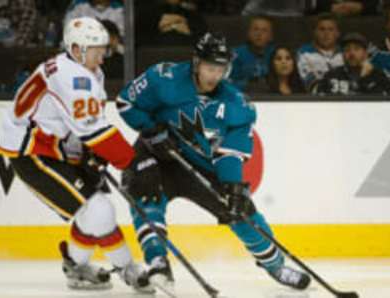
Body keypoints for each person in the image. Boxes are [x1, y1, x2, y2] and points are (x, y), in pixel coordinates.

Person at [116, 32, 311, 291]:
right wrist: (150, 130)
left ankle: (275, 265)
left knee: (240, 210)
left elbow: (230, 153)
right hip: (157, 154)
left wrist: (233, 186)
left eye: (221, 69)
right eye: (210, 67)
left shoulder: (237, 105)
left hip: (201, 165)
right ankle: (157, 261)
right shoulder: (164, 78)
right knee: (146, 192)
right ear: (197, 63)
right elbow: (126, 102)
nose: (214, 75)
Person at [0, 17, 156, 293]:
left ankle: (77, 266)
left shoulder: (86, 71)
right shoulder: (74, 77)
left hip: (58, 149)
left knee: (98, 211)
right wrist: (132, 162)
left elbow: (86, 125)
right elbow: (94, 130)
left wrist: (92, 153)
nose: (103, 58)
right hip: (33, 152)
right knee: (96, 209)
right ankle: (125, 268)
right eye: (97, 51)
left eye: (104, 50)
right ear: (78, 48)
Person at [313, 32, 390, 95]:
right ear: (342, 55)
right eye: (347, 50)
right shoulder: (331, 75)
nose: (351, 53)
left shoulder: (379, 76)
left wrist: (365, 78)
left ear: (365, 54)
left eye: (357, 49)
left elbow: (387, 104)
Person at [297, 13, 344, 90]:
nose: (326, 33)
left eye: (331, 29)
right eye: (322, 29)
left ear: (337, 33)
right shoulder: (304, 53)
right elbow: (309, 83)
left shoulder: (345, 53)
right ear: (315, 32)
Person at [229, 15, 275, 91]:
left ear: (271, 36)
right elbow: (228, 83)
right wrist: (248, 85)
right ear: (248, 33)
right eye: (255, 29)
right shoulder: (236, 54)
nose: (259, 34)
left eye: (264, 30)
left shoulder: (277, 54)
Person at [135, 0, 208, 46]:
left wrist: (188, 32)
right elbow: (137, 39)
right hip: (151, 56)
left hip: (184, 55)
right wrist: (159, 26)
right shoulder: (144, 12)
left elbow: (204, 39)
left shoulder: (193, 15)